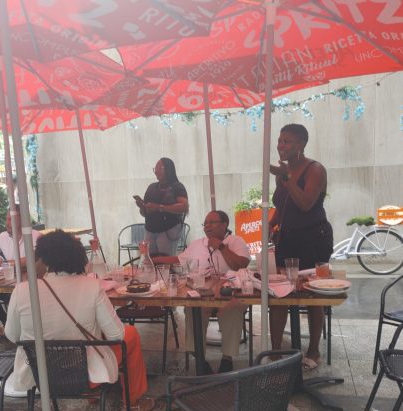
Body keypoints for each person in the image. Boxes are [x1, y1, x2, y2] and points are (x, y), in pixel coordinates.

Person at [4, 230, 155, 411]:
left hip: (39, 374)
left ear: (44, 260)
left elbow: (11, 336)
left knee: (96, 335)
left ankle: (96, 395)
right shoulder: (91, 287)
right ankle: (132, 404)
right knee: (130, 334)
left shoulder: (21, 290)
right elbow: (117, 335)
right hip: (85, 372)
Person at [268, 123, 334, 370]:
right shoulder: (283, 172)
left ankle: (313, 350)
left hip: (313, 240)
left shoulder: (315, 169)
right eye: (280, 140)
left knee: (313, 293)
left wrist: (287, 178)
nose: (281, 145)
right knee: (280, 292)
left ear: (302, 144)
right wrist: (271, 224)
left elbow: (306, 203)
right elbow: (283, 205)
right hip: (287, 239)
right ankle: (275, 352)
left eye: (287, 141)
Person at [154, 210, 250, 374]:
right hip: (202, 293)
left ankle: (227, 359)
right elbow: (179, 260)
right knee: (193, 310)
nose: (207, 226)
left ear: (224, 224)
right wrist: (155, 259)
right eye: (205, 224)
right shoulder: (198, 244)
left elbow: (241, 264)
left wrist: (221, 246)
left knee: (233, 310)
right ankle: (199, 358)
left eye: (212, 222)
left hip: (229, 294)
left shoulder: (236, 241)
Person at [0, 204, 41, 325]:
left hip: (29, 286)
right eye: (6, 219)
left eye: (10, 219)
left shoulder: (35, 236)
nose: (6, 223)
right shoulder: (3, 237)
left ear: (22, 220)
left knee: (10, 297)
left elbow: (31, 259)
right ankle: (6, 324)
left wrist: (4, 263)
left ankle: (6, 328)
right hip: (9, 284)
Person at [135, 157, 188, 256]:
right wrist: (142, 207)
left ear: (168, 169)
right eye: (155, 169)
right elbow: (144, 213)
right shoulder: (152, 187)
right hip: (150, 230)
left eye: (159, 169)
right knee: (148, 259)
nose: (156, 172)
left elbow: (184, 207)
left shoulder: (177, 186)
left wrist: (160, 207)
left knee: (165, 260)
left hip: (168, 230)